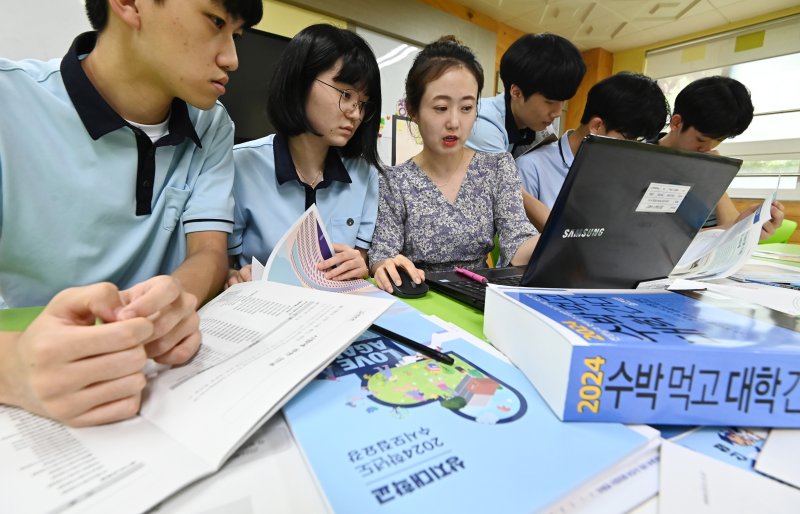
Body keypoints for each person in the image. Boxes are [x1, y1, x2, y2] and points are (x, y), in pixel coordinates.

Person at [0, 0, 262, 427]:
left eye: (236, 34)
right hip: (29, 365)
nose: (231, 58)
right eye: (215, 21)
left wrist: (179, 299)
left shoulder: (214, 125)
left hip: (158, 374)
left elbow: (210, 253)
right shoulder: (8, 103)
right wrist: (13, 369)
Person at [369, 37, 538, 293]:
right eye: (440, 107)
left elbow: (518, 241)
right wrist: (386, 265)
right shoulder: (394, 180)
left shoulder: (497, 168)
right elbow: (383, 253)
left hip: (480, 297)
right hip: (420, 296)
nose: (454, 122)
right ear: (413, 110)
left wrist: (560, 239)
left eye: (467, 107)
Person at [227, 24, 381, 285]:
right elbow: (222, 265)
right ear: (300, 82)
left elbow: (360, 261)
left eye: (363, 103)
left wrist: (361, 264)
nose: (355, 113)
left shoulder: (365, 175)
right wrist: (233, 276)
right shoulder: (240, 165)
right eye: (346, 94)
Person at [516, 72, 670, 229]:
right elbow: (516, 246)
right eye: (629, 138)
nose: (632, 148)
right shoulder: (531, 168)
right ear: (596, 126)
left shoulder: (622, 173)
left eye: (639, 141)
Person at [465, 33, 587, 230]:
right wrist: (564, 233)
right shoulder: (481, 122)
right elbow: (511, 190)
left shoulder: (539, 124)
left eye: (563, 101)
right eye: (549, 101)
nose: (557, 112)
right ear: (516, 92)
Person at [655, 76, 784, 238]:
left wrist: (749, 226)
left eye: (718, 141)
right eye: (701, 140)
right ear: (676, 123)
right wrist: (732, 228)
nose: (707, 149)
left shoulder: (705, 165)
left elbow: (731, 226)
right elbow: (656, 237)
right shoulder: (642, 159)